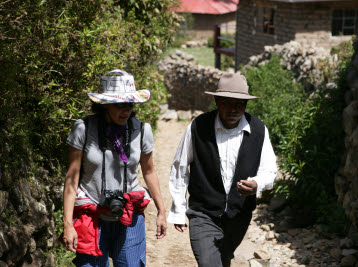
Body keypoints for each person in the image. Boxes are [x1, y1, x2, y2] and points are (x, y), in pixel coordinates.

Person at [168, 73, 277, 267]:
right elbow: (180, 168)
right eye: (227, 103)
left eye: (239, 104)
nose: (233, 110)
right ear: (217, 102)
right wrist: (178, 209)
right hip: (203, 214)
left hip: (239, 216)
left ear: (246, 105)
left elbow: (270, 171)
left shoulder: (259, 130)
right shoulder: (198, 127)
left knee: (224, 259)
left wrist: (256, 184)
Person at [62, 69, 166, 267]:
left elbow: (149, 171)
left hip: (129, 214)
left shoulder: (142, 130)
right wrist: (68, 223)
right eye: (119, 104)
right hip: (91, 215)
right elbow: (72, 178)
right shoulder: (83, 129)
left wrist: (161, 210)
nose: (125, 110)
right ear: (104, 105)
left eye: (129, 104)